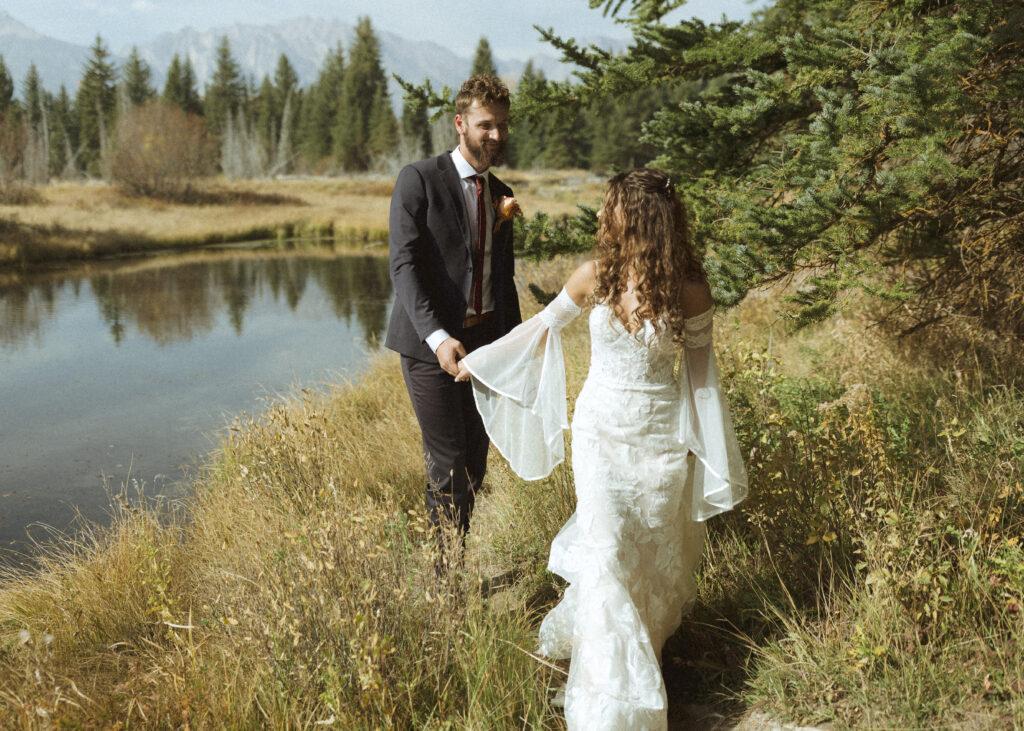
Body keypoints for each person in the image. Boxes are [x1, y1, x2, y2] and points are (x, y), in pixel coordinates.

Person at [455, 169, 748, 729]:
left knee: (649, 564)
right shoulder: (594, 277)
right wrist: (480, 361)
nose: (598, 216)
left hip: (662, 441)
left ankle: (643, 660)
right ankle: (613, 703)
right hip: (600, 436)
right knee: (609, 553)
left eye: (608, 207)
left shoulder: (689, 288)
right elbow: (542, 329)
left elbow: (703, 378)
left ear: (637, 218)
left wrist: (704, 448)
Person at [384, 74, 521, 556]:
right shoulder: (418, 179)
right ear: (460, 124)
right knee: (447, 465)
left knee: (476, 466)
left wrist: (515, 347)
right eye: (487, 125)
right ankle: (445, 585)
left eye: (503, 126)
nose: (497, 136)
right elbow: (403, 265)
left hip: (485, 345)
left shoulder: (501, 190)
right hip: (430, 348)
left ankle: (452, 554)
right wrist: (439, 337)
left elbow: (500, 281)